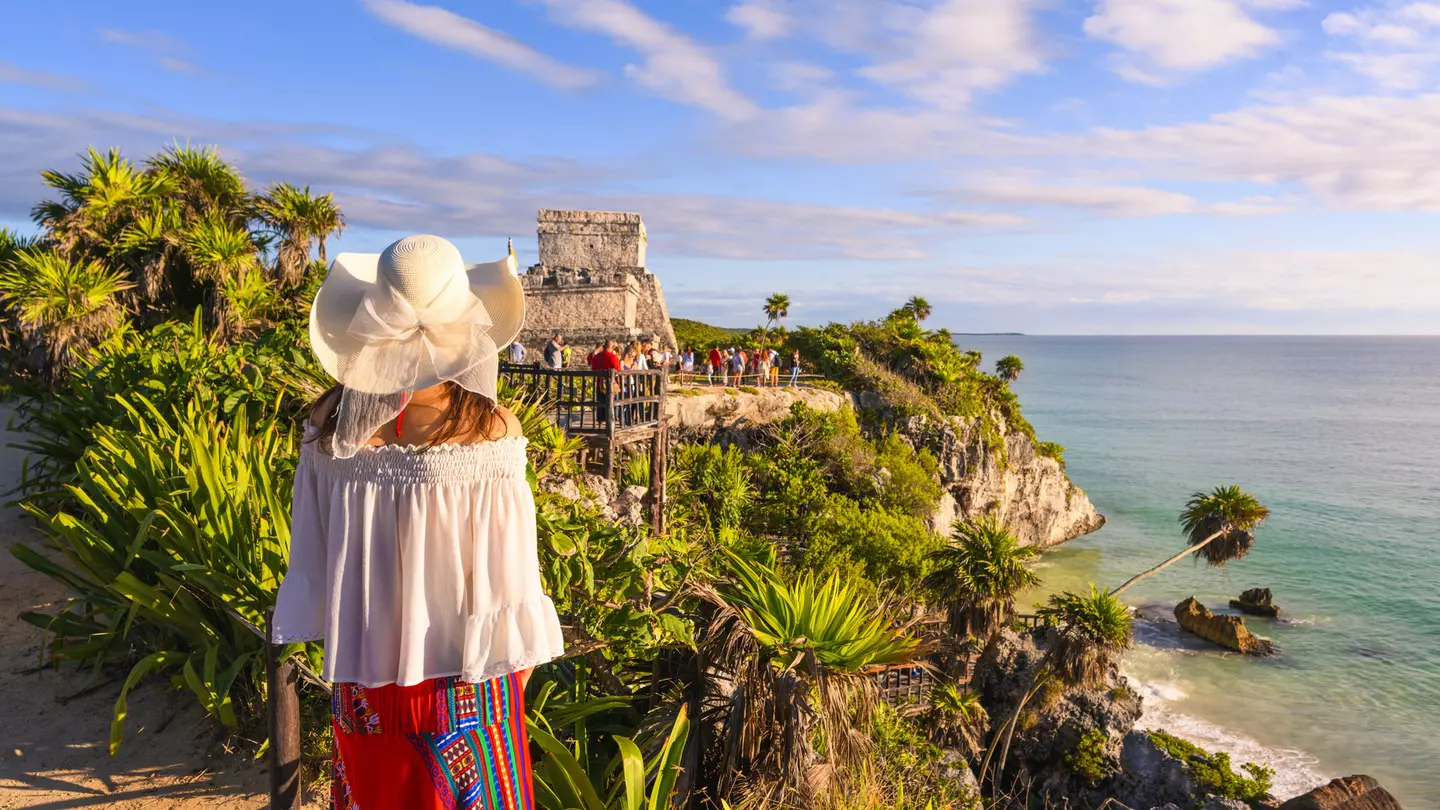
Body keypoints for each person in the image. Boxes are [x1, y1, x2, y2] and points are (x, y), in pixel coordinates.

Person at [273, 235, 564, 809]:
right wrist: (517, 665)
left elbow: (313, 554)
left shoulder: (329, 427)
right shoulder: (489, 431)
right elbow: (511, 576)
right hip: (467, 679)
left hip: (361, 678)